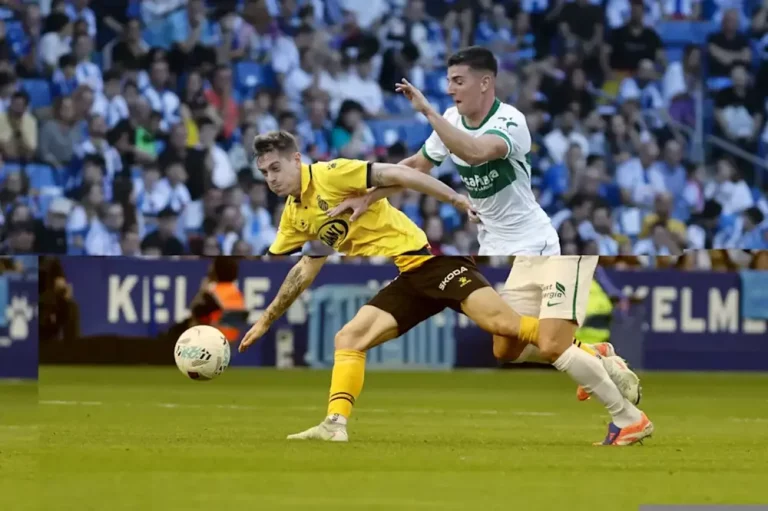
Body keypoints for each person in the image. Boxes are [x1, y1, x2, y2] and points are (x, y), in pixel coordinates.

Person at [328, 46, 559, 256]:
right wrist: (367, 197)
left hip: (530, 241)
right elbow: (416, 167)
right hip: (491, 243)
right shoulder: (451, 118)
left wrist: (428, 111)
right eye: (448, 81)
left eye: (458, 82)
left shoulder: (510, 120)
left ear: (485, 83)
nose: (449, 90)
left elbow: (475, 153)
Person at [492, 255, 654, 446]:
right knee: (506, 348)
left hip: (562, 257)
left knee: (552, 345)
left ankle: (628, 418)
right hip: (527, 257)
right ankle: (593, 356)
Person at [252, 130, 476, 260]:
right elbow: (271, 263)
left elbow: (402, 173)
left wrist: (454, 198)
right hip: (373, 269)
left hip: (406, 252)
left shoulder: (331, 174)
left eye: (275, 168)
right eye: (264, 173)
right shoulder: (292, 217)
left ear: (296, 160)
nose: (270, 179)